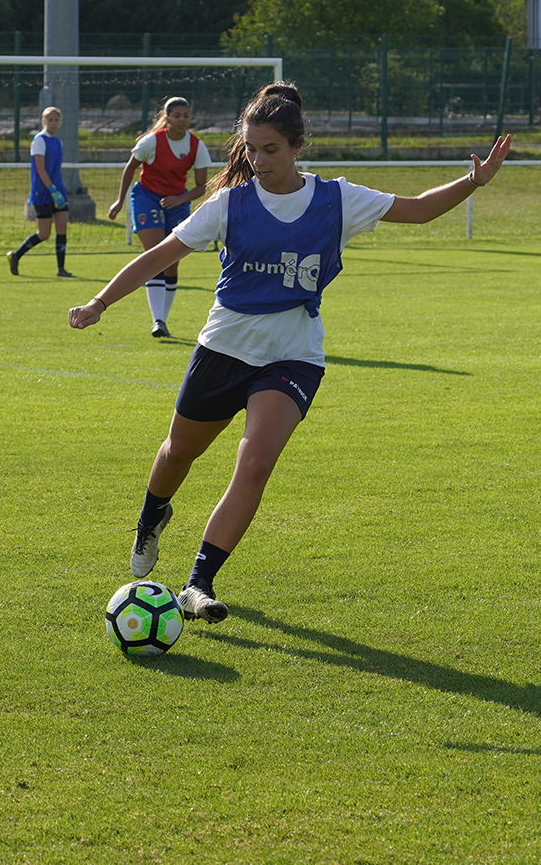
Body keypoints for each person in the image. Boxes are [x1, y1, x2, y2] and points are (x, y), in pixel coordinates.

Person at [69, 82, 511, 623]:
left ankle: (198, 584)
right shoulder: (230, 203)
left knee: (254, 464)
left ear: (298, 146)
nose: (257, 160)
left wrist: (474, 180)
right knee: (179, 452)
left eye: (270, 149)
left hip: (293, 355)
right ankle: (151, 518)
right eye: (251, 149)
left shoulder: (337, 198)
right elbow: (158, 255)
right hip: (224, 348)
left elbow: (416, 210)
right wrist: (100, 302)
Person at [107, 97, 213, 338]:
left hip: (177, 202)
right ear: (167, 118)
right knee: (154, 253)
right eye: (177, 115)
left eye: (186, 115)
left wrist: (180, 200)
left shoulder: (197, 146)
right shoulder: (151, 142)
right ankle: (157, 321)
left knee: (172, 261)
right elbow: (130, 168)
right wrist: (119, 200)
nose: (182, 120)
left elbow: (200, 187)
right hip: (147, 196)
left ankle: (162, 319)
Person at [8, 106, 74, 278]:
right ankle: (16, 255)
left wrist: (58, 190)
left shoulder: (58, 142)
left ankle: (61, 269)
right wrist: (51, 189)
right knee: (44, 234)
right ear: (43, 122)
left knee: (62, 227)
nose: (53, 123)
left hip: (58, 190)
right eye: (49, 120)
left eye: (56, 120)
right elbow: (40, 168)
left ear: (60, 122)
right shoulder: (39, 140)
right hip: (42, 192)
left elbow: (55, 169)